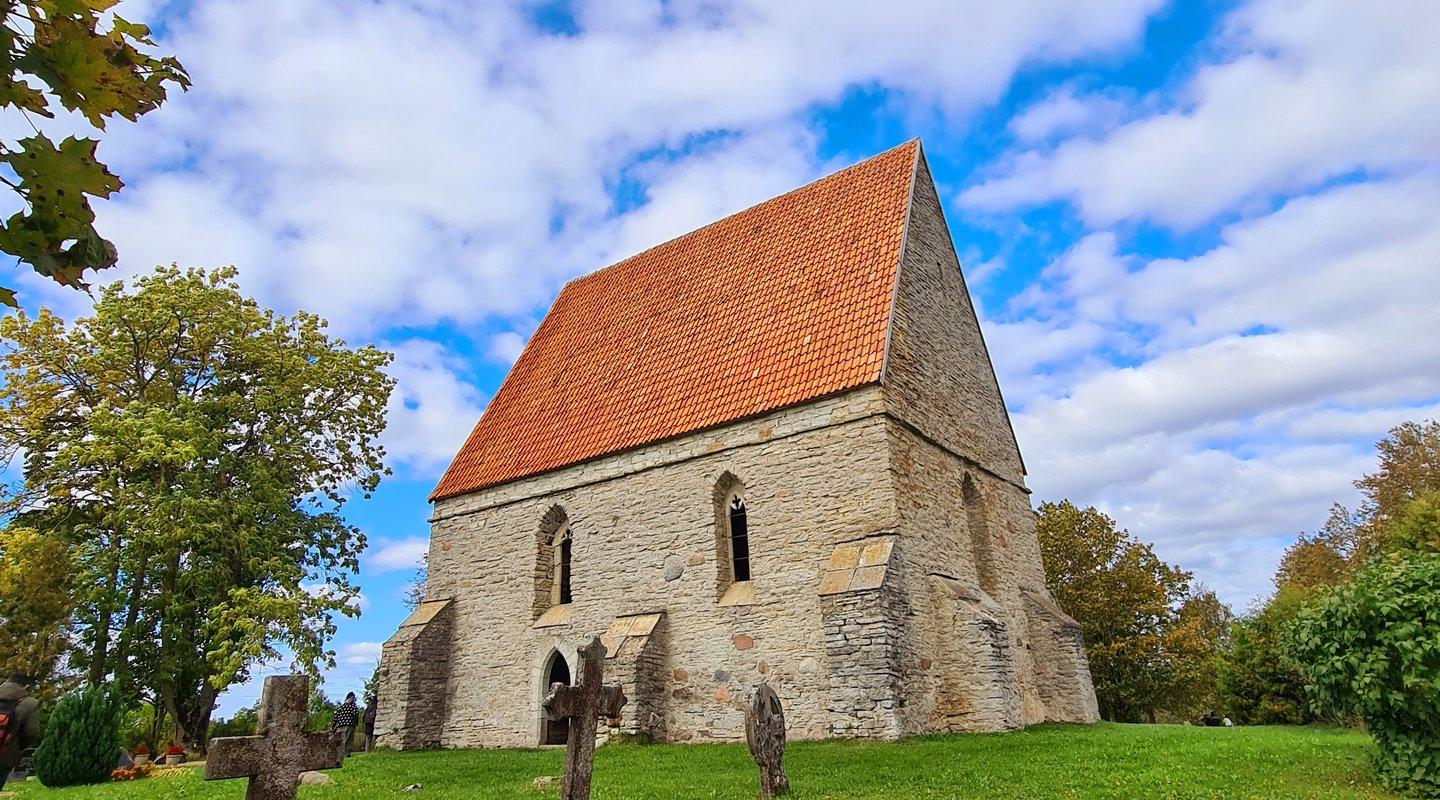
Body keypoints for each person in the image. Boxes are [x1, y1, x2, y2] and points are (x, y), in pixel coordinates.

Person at [0, 674, 41, 790]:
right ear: (26, 686)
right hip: (5, 753)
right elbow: (31, 732)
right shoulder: (30, 703)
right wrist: (18, 747)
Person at [331, 692, 360, 757]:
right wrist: (356, 723)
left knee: (341, 740)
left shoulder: (341, 706)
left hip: (340, 725)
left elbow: (336, 716)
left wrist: (333, 725)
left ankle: (338, 753)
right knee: (348, 740)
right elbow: (355, 714)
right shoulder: (353, 706)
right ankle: (346, 754)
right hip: (349, 724)